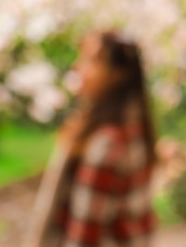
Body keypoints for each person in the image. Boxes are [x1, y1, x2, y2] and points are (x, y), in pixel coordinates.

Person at [26, 29, 157, 247]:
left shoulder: (108, 143)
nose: (77, 67)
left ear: (117, 74)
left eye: (91, 61)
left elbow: (85, 235)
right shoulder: (133, 127)